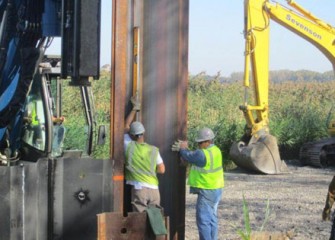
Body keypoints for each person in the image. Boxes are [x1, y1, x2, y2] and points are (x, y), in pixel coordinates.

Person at [171, 127, 224, 240]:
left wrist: (182, 149)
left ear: (208, 141)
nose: (199, 145)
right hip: (217, 189)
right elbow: (195, 156)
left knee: (203, 221)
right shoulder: (216, 150)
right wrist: (186, 150)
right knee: (212, 219)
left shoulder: (202, 154)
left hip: (207, 190)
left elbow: (189, 156)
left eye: (200, 142)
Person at [124, 95, 165, 212]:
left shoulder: (128, 145)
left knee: (139, 219)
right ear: (144, 133)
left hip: (139, 189)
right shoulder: (153, 150)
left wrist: (135, 108)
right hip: (154, 189)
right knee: (156, 219)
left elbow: (125, 126)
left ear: (131, 135)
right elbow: (162, 170)